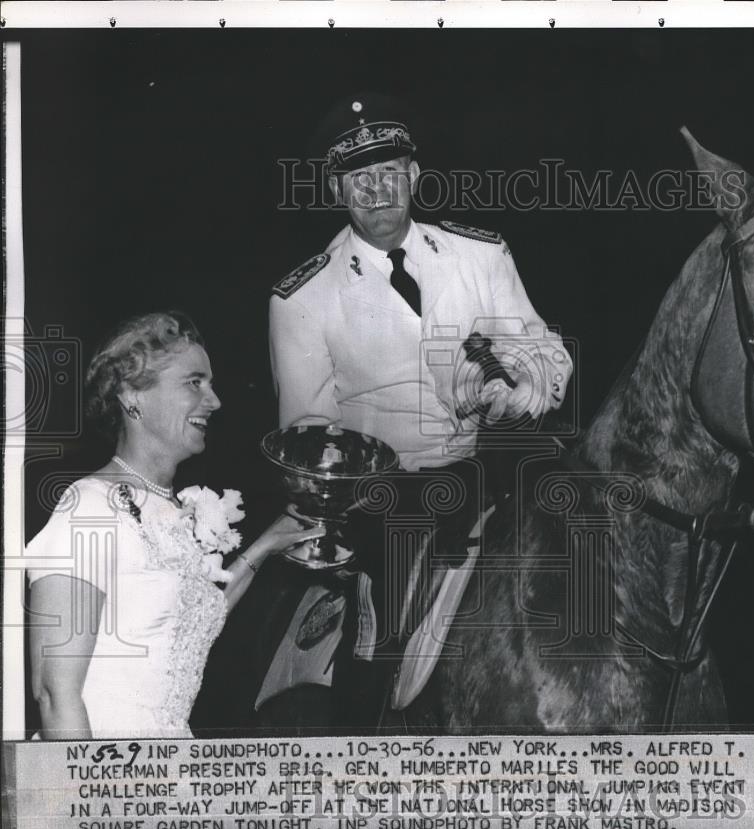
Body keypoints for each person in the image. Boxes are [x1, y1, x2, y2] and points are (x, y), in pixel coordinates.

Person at [263, 92, 573, 730]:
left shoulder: (481, 255)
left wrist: (525, 387)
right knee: (382, 625)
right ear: (335, 186)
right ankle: (359, 744)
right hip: (382, 495)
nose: (377, 189)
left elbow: (544, 349)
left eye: (389, 171)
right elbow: (308, 433)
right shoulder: (303, 296)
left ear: (414, 175)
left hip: (485, 466)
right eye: (359, 177)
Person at [26, 312, 324, 740]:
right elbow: (55, 694)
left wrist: (265, 546)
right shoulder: (88, 507)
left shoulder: (172, 508)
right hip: (101, 774)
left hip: (172, 766)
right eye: (194, 382)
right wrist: (88, 800)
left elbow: (193, 617)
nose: (215, 400)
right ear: (132, 395)